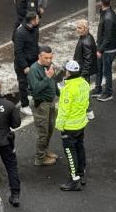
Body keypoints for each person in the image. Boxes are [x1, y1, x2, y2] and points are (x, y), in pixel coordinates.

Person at [56, 60, 90, 192]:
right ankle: (81, 174)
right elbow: (86, 103)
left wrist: (59, 125)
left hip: (69, 126)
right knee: (80, 147)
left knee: (70, 152)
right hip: (81, 123)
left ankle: (74, 180)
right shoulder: (84, 84)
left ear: (68, 72)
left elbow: (64, 110)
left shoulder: (68, 89)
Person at [28, 46, 59, 166]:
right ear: (39, 56)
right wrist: (48, 77)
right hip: (41, 104)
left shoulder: (49, 66)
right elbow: (36, 90)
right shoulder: (34, 70)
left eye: (50, 57)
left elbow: (53, 82)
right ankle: (40, 158)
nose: (49, 60)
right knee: (43, 132)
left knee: (50, 129)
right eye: (46, 58)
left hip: (50, 102)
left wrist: (60, 94)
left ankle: (45, 151)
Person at [12, 12, 39, 116]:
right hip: (22, 64)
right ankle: (24, 106)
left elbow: (35, 45)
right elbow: (18, 52)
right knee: (23, 84)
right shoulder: (20, 33)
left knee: (33, 81)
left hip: (33, 61)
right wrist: (25, 66)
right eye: (37, 19)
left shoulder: (35, 28)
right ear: (32, 21)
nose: (38, 20)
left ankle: (31, 95)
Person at [95, 0, 116, 102]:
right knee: (100, 68)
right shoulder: (106, 13)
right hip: (105, 47)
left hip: (107, 49)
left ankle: (108, 93)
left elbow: (108, 36)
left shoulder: (108, 16)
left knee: (106, 71)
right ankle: (98, 89)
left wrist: (100, 49)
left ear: (101, 3)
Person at [73, 20, 98, 110]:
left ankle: (88, 110)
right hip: (82, 70)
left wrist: (83, 74)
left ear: (85, 29)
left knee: (84, 91)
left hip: (82, 71)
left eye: (80, 28)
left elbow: (88, 60)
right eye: (77, 27)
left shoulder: (85, 41)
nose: (77, 29)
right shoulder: (86, 37)